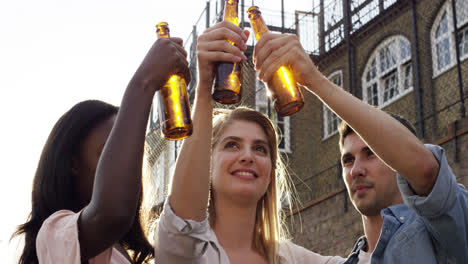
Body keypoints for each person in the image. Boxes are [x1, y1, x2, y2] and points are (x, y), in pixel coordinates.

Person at [252, 31, 468, 263]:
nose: (356, 170)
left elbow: (425, 169)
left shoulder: (443, 231)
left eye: (370, 154)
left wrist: (314, 79)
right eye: (348, 160)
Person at [154, 21, 344, 264]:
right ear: (207, 163)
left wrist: (315, 80)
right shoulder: (186, 250)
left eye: (260, 148)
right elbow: (183, 219)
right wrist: (204, 88)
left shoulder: (293, 259)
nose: (247, 156)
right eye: (232, 144)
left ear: (271, 173)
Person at [12, 33, 191, 263]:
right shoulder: (55, 235)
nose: (127, 164)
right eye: (109, 152)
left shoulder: (127, 254)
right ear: (72, 164)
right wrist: (144, 82)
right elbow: (112, 213)